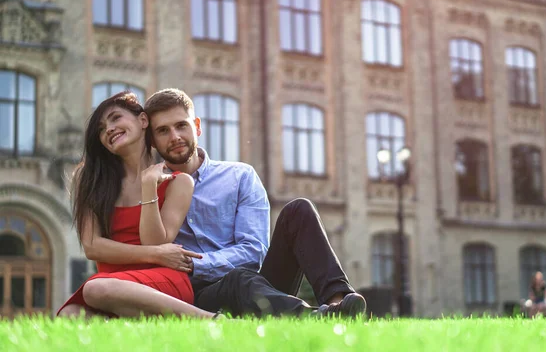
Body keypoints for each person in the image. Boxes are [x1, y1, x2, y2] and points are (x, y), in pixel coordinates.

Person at [143, 88, 366, 318]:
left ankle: (338, 304)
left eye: (181, 126)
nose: (175, 137)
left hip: (259, 287)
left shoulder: (240, 176)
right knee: (237, 279)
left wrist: (195, 264)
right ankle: (314, 317)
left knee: (299, 210)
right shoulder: (150, 188)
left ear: (197, 126)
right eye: (163, 131)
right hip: (199, 298)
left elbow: (253, 251)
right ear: (152, 141)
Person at [57, 92, 216, 319]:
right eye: (101, 129)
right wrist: (157, 254)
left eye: (115, 118)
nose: (109, 129)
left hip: (162, 280)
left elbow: (155, 241)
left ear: (143, 121)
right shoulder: (90, 177)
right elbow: (92, 246)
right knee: (69, 316)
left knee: (95, 289)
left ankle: (209, 320)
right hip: (114, 280)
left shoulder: (179, 182)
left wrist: (149, 186)